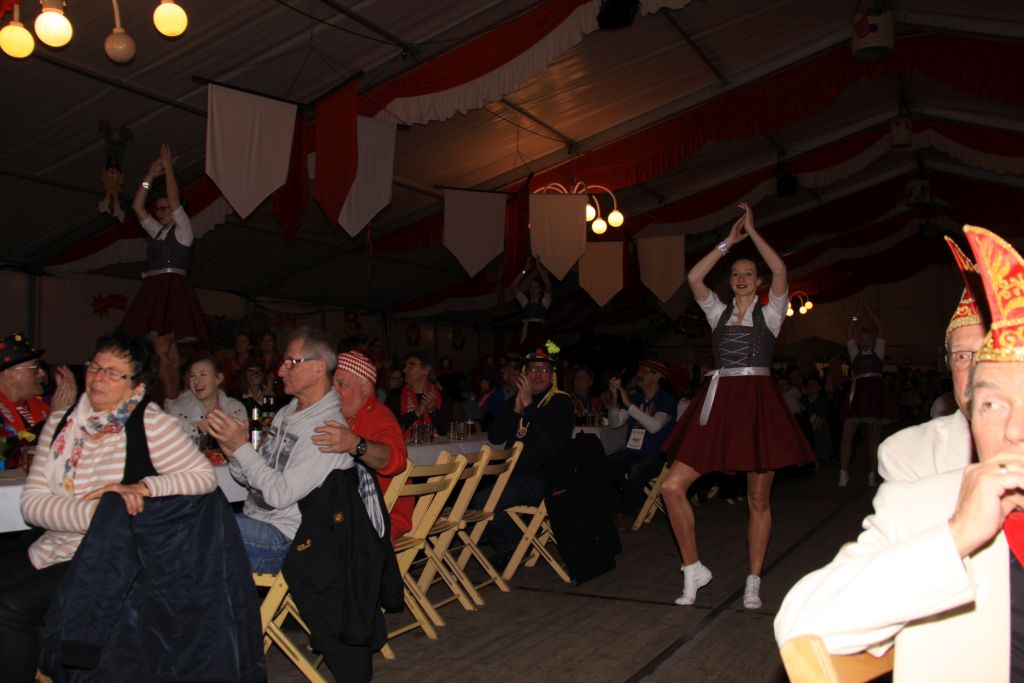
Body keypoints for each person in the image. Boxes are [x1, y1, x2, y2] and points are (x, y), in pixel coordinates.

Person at [773, 225, 1024, 681]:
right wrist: (957, 534)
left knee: (866, 431)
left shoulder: (881, 346)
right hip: (862, 389)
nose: (1014, 430)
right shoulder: (926, 495)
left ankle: (859, 470)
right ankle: (848, 471)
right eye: (991, 403)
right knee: (856, 430)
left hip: (873, 389)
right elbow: (802, 627)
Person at [0, 330, 217, 680]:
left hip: (109, 557)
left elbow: (202, 477)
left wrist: (145, 486)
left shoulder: (150, 423)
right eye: (96, 367)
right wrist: (101, 513)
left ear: (136, 385)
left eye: (113, 373)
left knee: (10, 609)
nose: (99, 378)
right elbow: (32, 505)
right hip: (53, 545)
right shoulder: (60, 422)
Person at [660, 201, 814, 609]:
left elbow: (780, 269)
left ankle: (753, 580)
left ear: (758, 281)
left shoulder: (772, 312)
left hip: (757, 408)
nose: (741, 278)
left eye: (748, 274)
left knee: (758, 500)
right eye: (735, 274)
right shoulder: (717, 312)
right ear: (729, 282)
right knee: (672, 486)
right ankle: (693, 569)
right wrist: (727, 242)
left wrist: (754, 232)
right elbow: (694, 277)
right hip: (719, 404)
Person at [206, 327, 353, 573]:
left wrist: (242, 448)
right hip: (257, 519)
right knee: (187, 518)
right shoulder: (287, 413)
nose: (281, 371)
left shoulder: (327, 430)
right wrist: (234, 454)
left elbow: (279, 495)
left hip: (288, 540)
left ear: (318, 368)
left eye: (291, 363)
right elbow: (254, 481)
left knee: (196, 531)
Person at [876, 237, 985, 484]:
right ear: (948, 366)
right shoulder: (908, 455)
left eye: (991, 352)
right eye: (963, 356)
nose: (977, 371)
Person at [483, 345, 575, 568]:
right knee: (471, 498)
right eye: (532, 369)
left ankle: (512, 546)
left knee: (484, 502)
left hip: (543, 477)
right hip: (510, 474)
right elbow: (495, 436)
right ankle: (514, 543)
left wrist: (529, 406)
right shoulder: (515, 400)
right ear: (524, 374)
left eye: (544, 370)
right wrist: (515, 410)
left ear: (552, 376)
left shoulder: (561, 402)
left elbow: (549, 441)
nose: (538, 374)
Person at [311, 350, 413, 540]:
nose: (333, 391)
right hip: (344, 513)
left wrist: (355, 444)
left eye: (342, 384)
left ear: (365, 389)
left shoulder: (378, 416)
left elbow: (396, 460)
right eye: (331, 384)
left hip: (380, 518)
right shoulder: (338, 416)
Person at [122, 144, 210, 346]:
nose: (158, 212)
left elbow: (173, 198)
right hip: (155, 288)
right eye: (157, 209)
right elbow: (137, 206)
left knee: (167, 338)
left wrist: (169, 168)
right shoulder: (158, 231)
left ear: (175, 211)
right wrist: (150, 176)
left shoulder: (183, 230)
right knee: (151, 338)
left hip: (173, 290)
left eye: (164, 209)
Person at [606, 360, 677, 529]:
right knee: (602, 467)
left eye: (646, 371)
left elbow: (654, 426)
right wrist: (615, 397)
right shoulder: (636, 398)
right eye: (640, 370)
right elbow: (615, 423)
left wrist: (628, 405)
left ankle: (627, 514)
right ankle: (616, 510)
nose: (640, 374)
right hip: (632, 452)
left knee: (637, 470)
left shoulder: (666, 399)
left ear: (658, 377)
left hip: (657, 456)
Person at [0, 332, 76, 469]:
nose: (42, 373)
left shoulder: (45, 404)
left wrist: (70, 414)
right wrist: (50, 421)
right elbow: (7, 454)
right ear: (9, 375)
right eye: (34, 367)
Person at [838, 301, 886, 487]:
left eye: (869, 339)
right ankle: (843, 472)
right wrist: (857, 313)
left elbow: (880, 328)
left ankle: (872, 474)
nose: (865, 342)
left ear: (873, 340)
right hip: (858, 394)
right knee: (847, 434)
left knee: (873, 437)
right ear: (859, 341)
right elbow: (849, 330)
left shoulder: (879, 351)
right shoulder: (854, 352)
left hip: (874, 394)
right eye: (862, 339)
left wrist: (869, 311)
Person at [165, 356, 246, 449]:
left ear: (219, 378)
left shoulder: (235, 407)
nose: (196, 381)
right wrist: (198, 427)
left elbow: (243, 445)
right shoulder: (179, 408)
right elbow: (170, 442)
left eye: (202, 374)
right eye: (192, 376)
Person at [387, 350, 452, 440]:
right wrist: (417, 413)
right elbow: (389, 428)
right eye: (405, 366)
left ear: (426, 370)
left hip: (436, 447)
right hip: (405, 447)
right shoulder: (395, 395)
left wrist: (433, 411)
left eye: (411, 365)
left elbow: (448, 431)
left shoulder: (442, 396)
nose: (404, 370)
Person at [511, 258, 553, 350]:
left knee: (543, 354)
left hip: (540, 333)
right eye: (530, 287)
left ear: (540, 289)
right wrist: (524, 270)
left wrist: (538, 267)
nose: (532, 289)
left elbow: (547, 283)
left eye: (535, 287)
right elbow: (513, 285)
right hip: (526, 333)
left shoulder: (545, 301)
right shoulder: (525, 301)